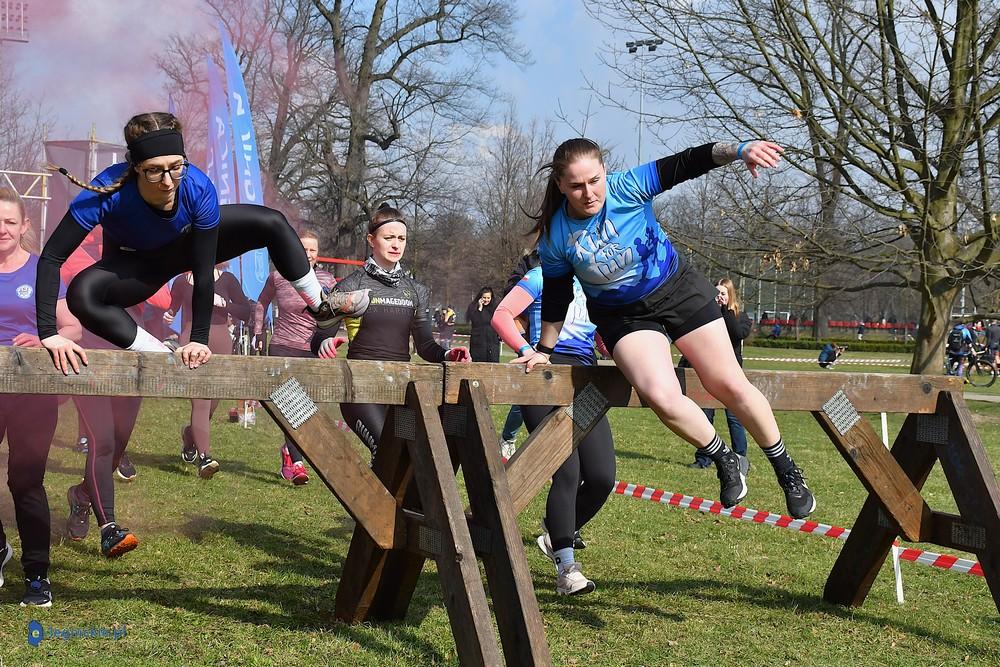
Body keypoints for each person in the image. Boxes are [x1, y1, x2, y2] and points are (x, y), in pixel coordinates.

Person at [518, 137, 816, 519]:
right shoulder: (558, 235)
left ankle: (787, 470)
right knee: (660, 394)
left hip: (677, 291)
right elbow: (557, 298)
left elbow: (687, 162)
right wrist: (542, 350)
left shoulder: (628, 186)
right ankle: (723, 457)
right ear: (560, 185)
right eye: (576, 186)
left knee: (726, 382)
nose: (589, 193)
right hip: (624, 317)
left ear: (605, 172)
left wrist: (740, 150)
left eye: (594, 180)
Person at [34, 111, 364, 377]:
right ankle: (159, 356)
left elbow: (204, 273)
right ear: (135, 168)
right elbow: (51, 258)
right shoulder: (105, 190)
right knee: (81, 292)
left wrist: (198, 341)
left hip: (186, 250)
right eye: (153, 172)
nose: (167, 182)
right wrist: (49, 331)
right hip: (137, 269)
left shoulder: (196, 186)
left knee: (271, 221)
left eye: (175, 168)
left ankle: (320, 306)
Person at [492, 251, 615, 595]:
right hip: (543, 376)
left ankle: (556, 533)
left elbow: (603, 338)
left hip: (587, 381)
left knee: (602, 477)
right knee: (567, 470)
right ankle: (566, 566)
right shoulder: (540, 276)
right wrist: (524, 348)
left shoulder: (598, 284)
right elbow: (502, 315)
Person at [312, 204, 470, 461]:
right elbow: (319, 334)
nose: (396, 244)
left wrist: (449, 353)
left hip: (401, 391)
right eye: (389, 238)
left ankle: (393, 503)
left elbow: (426, 346)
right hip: (360, 390)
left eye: (401, 238)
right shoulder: (351, 284)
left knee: (407, 459)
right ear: (371, 240)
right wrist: (324, 343)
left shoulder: (416, 290)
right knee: (386, 454)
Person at [0, 187, 83, 605]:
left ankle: (36, 576)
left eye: (9, 221)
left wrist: (43, 336)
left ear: (24, 226)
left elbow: (73, 329)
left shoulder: (41, 271)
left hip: (32, 391)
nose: (2, 229)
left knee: (25, 481)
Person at [254, 230, 336, 484]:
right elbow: (261, 303)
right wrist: (258, 331)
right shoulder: (278, 276)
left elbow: (335, 311)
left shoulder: (327, 279)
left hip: (312, 350)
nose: (308, 253)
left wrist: (329, 338)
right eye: (303, 248)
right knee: (292, 407)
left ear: (318, 253)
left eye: (313, 249)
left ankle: (289, 452)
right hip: (282, 347)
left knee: (308, 409)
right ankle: (299, 463)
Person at [164, 264, 251, 478]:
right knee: (201, 401)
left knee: (212, 403)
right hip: (191, 340)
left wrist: (224, 304)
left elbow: (246, 311)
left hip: (222, 342)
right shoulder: (183, 281)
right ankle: (205, 458)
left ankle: (190, 435)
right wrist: (167, 316)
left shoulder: (228, 279)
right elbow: (171, 310)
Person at [687, 278, 752, 471]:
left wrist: (727, 311)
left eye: (723, 294)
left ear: (730, 295)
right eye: (716, 294)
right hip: (708, 372)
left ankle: (740, 458)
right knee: (705, 416)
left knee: (734, 418)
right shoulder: (706, 314)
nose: (719, 297)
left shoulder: (741, 316)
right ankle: (703, 458)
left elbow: (738, 333)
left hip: (731, 374)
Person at [466, 287, 500, 362]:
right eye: (484, 297)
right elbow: (475, 322)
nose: (486, 300)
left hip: (492, 342)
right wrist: (480, 308)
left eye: (488, 298)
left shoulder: (495, 308)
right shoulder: (473, 307)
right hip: (478, 342)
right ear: (480, 297)